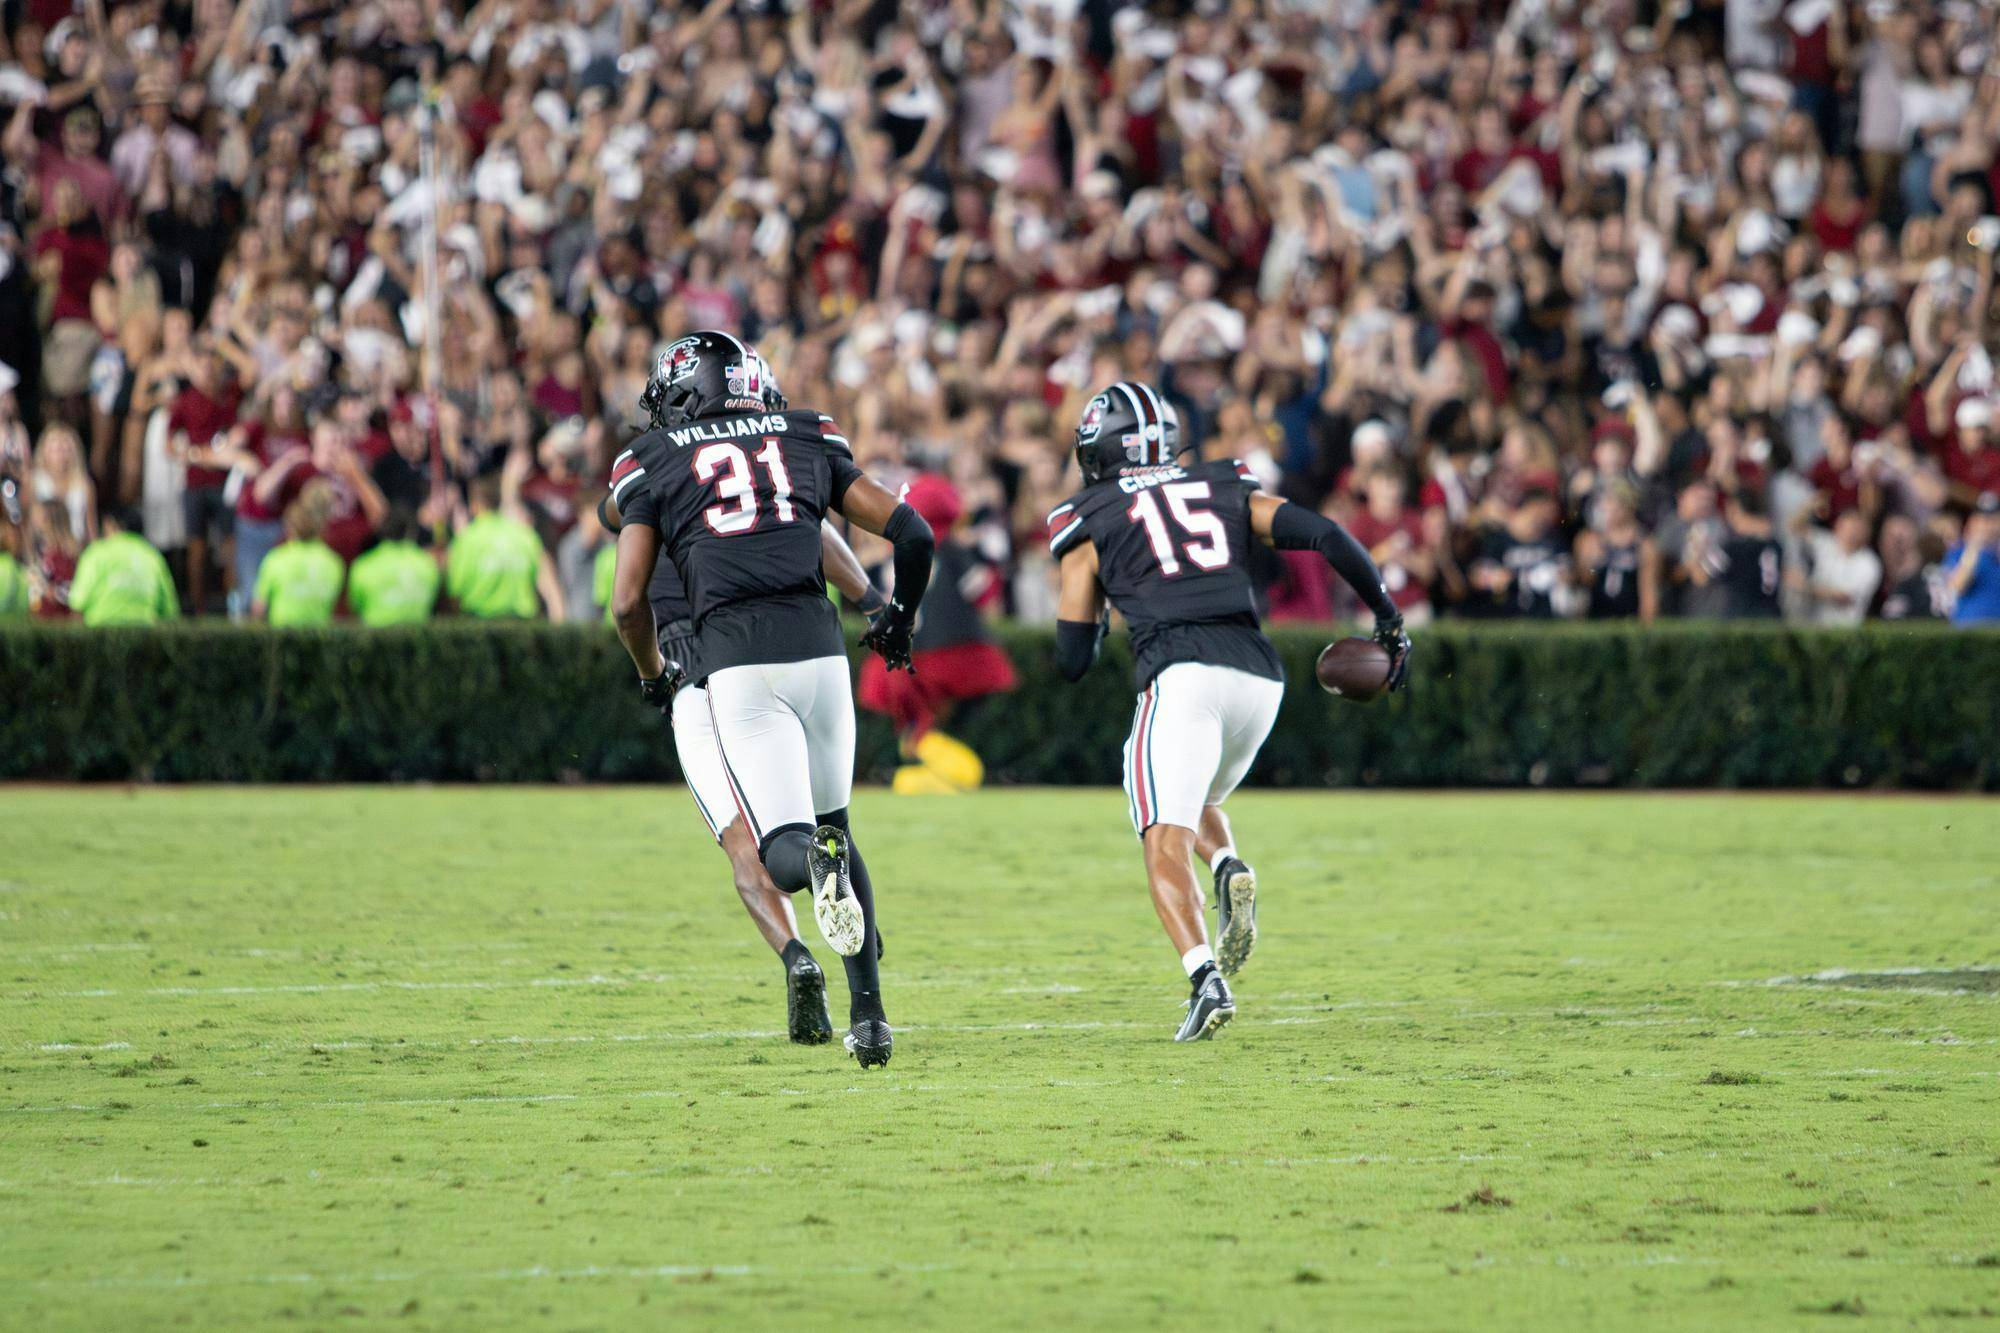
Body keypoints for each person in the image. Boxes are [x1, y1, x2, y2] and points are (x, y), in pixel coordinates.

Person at [602, 331, 935, 1069]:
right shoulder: (802, 433)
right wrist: (891, 614)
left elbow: (628, 601)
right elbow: (907, 532)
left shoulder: (653, 463)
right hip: (820, 648)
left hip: (731, 660)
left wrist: (652, 670)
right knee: (839, 826)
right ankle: (873, 1021)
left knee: (783, 846)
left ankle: (818, 873)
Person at [1048, 381, 1410, 1042]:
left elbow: (1071, 658)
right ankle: (1227, 866)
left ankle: (1201, 976)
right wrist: (1389, 620)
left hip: (1183, 676)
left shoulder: (1090, 514)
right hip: (1257, 678)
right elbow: (1326, 535)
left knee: (1162, 834)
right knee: (1194, 795)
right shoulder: (1223, 483)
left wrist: (1099, 610)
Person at [857, 473, 1018, 794]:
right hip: (955, 651)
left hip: (903, 655)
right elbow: (985, 593)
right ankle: (934, 758)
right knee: (960, 722)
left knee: (919, 720)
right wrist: (992, 558)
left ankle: (912, 760)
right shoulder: (952, 550)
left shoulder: (897, 551)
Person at [446, 474, 564, 620]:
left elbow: (454, 593)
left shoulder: (466, 539)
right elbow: (551, 589)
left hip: (478, 625)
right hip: (521, 626)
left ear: (475, 504)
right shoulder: (526, 536)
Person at [252, 481, 345, 628]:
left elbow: (259, 608)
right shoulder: (334, 561)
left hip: (282, 637)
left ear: (290, 528)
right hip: (320, 639)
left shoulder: (276, 558)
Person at [68, 506, 177, 627]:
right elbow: (169, 610)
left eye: (105, 526)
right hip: (144, 634)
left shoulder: (97, 552)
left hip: (100, 632)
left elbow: (77, 603)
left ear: (113, 525)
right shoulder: (153, 556)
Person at [346, 508, 441, 627]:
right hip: (417, 640)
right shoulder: (428, 564)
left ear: (381, 530)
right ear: (411, 531)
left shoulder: (364, 564)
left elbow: (355, 606)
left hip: (374, 640)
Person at [1946, 494, 2000, 626]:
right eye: (1982, 519)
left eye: (1993, 519)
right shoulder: (1959, 551)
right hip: (1969, 632)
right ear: (1972, 522)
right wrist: (1974, 546)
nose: (1987, 525)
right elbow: (1956, 587)